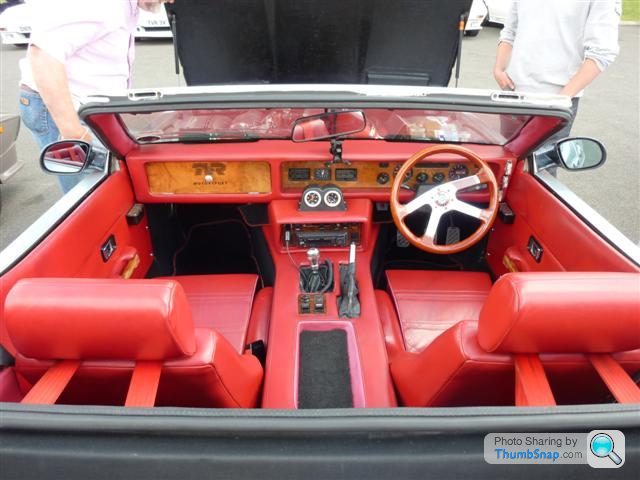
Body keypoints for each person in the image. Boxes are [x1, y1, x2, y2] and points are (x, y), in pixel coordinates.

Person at [18, 0, 174, 192]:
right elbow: (43, 55)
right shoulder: (100, 4)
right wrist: (75, 136)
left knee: (100, 185)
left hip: (87, 105)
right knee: (88, 195)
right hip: (65, 106)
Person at [493, 0, 621, 150]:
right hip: (512, 96)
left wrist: (561, 99)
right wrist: (498, 69)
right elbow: (510, 31)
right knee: (504, 165)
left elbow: (602, 52)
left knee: (539, 168)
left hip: (555, 101)